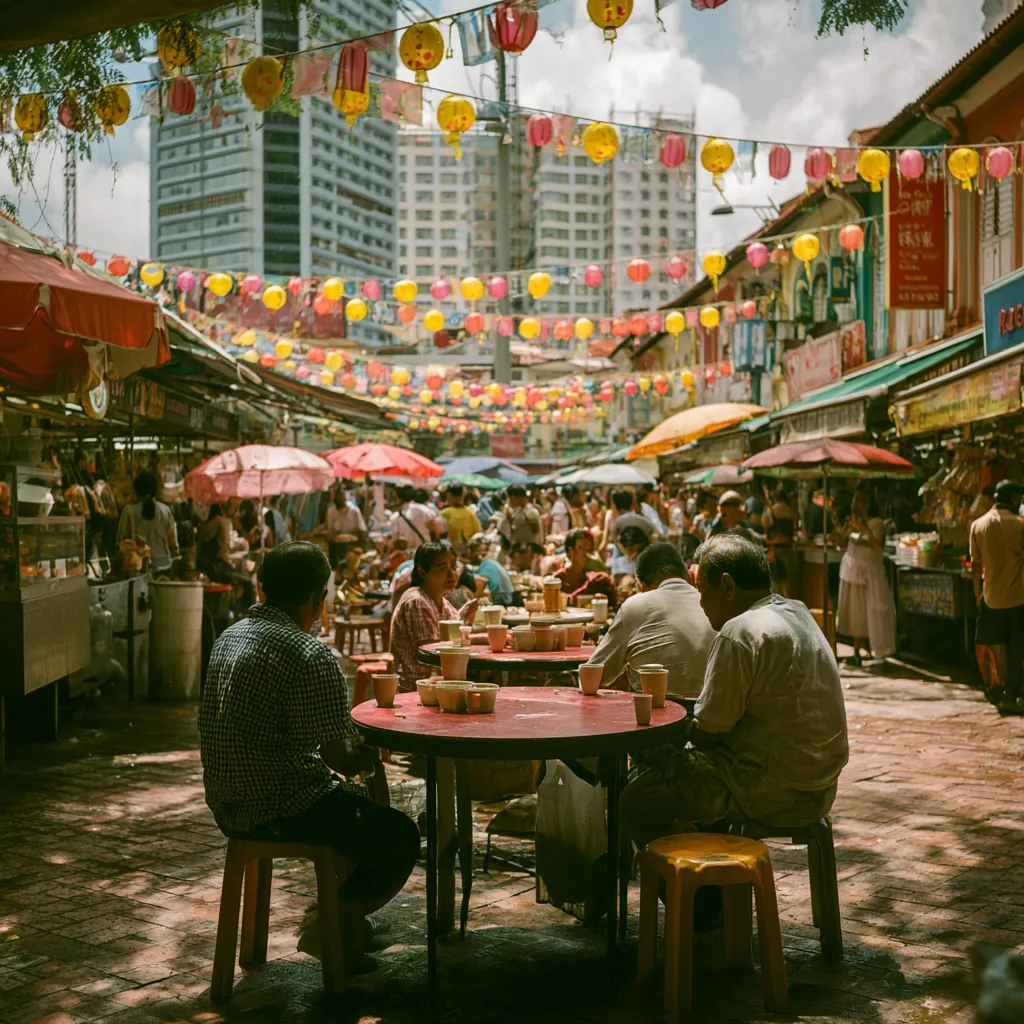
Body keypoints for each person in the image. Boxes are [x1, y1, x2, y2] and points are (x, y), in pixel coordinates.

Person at [199, 542, 419, 962]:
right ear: (320, 599)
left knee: (353, 809)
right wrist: (369, 757)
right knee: (397, 837)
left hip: (226, 801)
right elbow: (339, 759)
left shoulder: (229, 636)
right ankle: (331, 927)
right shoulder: (311, 654)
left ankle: (347, 930)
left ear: (263, 589)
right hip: (279, 806)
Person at [620, 535, 849, 852]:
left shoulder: (739, 631)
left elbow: (708, 732)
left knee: (635, 799)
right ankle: (714, 887)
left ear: (727, 587)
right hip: (820, 788)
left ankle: (698, 899)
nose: (700, 604)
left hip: (769, 792)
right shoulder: (797, 612)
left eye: (702, 592)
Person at [587, 542, 714, 698]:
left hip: (657, 718)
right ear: (688, 576)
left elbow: (592, 676)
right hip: (712, 714)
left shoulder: (635, 604)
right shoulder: (713, 602)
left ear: (640, 586)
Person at [390, 541, 479, 691]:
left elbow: (454, 635)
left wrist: (464, 617)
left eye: (453, 566)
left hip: (438, 681)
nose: (452, 574)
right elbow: (433, 655)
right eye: (443, 568)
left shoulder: (441, 600)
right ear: (423, 572)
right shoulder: (417, 602)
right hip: (417, 687)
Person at [970, 478, 1024, 708]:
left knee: (998, 647)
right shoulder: (1020, 525)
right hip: (1018, 598)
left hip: (990, 596)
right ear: (1013, 499)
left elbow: (975, 566)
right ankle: (1013, 693)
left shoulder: (978, 525)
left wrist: (977, 596)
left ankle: (1001, 689)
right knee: (1016, 648)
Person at [833, 489, 896, 665]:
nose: (858, 505)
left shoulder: (877, 523)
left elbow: (879, 546)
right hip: (853, 572)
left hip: (872, 573)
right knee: (856, 612)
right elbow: (841, 542)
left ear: (869, 504)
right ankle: (857, 651)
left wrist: (865, 529)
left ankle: (878, 650)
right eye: (856, 501)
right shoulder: (851, 522)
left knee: (874, 609)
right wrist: (840, 528)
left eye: (861, 501)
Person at [116, 469, 178, 571]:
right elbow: (172, 542)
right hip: (165, 565)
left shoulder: (128, 511)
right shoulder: (165, 510)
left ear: (136, 491)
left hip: (139, 567)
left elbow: (120, 542)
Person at [556, 528, 617, 608]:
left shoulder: (594, 579)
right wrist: (585, 590)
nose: (586, 553)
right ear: (571, 551)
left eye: (589, 549)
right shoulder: (560, 578)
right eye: (581, 548)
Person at [465, 533, 515, 605]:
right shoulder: (490, 563)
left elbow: (481, 587)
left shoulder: (486, 565)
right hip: (507, 599)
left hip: (499, 601)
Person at [497, 484, 545, 555]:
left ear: (515, 497)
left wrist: (536, 552)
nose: (509, 501)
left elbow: (536, 534)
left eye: (510, 498)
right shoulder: (518, 511)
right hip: (519, 551)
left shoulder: (530, 512)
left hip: (528, 552)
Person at [327, 490, 368, 569]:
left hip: (352, 541)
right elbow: (330, 531)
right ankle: (335, 572)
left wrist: (360, 544)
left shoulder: (354, 511)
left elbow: (362, 530)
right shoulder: (331, 511)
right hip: (338, 542)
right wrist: (333, 537)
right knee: (333, 551)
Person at [390, 485, 439, 552]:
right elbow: (435, 532)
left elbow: (394, 541)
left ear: (398, 498)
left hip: (407, 556)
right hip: (426, 553)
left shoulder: (395, 517)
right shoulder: (426, 511)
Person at [440, 483, 481, 554]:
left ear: (449, 495)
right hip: (468, 553)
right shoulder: (470, 513)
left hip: (450, 553)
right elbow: (478, 532)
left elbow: (439, 534)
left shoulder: (445, 513)